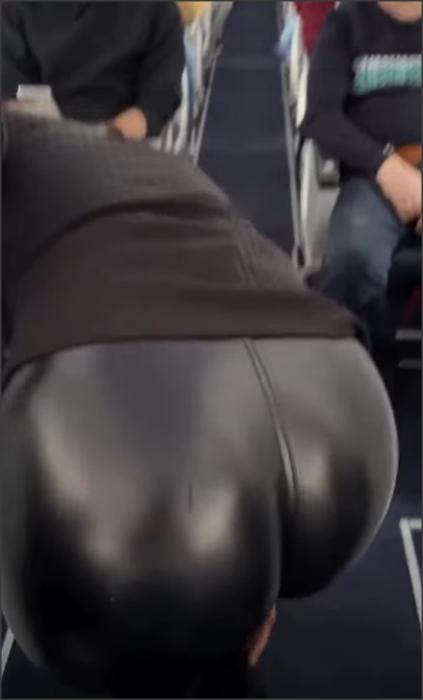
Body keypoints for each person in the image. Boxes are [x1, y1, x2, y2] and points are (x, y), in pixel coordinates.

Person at [1, 109, 397, 698]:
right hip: (341, 403)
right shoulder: (114, 153)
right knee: (204, 614)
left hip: (139, 480)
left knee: (166, 620)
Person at [302, 1, 421, 352]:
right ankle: (365, 365)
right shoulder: (345, 24)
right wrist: (384, 166)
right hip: (373, 179)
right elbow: (321, 117)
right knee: (353, 260)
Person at [1, 1, 185, 140]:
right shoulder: (18, 8)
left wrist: (108, 138)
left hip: (120, 141)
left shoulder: (158, 10)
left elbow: (157, 102)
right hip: (40, 136)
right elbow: (11, 92)